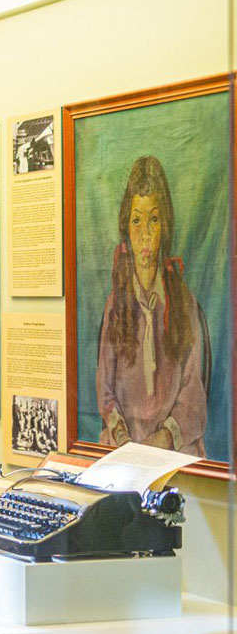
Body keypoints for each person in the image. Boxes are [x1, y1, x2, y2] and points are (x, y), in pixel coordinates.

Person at [96, 155, 206, 456]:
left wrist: (161, 441)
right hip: (124, 449)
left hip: (171, 449)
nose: (145, 233)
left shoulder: (183, 302)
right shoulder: (116, 304)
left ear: (165, 226)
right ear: (126, 228)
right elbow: (104, 389)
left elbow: (193, 395)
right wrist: (123, 438)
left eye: (154, 219)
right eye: (137, 220)